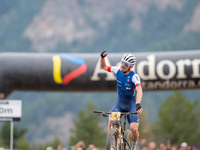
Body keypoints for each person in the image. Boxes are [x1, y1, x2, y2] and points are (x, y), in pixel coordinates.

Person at [100, 51, 143, 150]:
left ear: (131, 67)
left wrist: (138, 104)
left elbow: (139, 90)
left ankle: (133, 147)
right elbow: (104, 67)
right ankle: (112, 145)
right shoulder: (117, 70)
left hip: (131, 105)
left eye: (126, 64)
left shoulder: (134, 76)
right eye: (122, 62)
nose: (122, 65)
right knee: (111, 119)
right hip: (119, 104)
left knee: (134, 129)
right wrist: (102, 57)